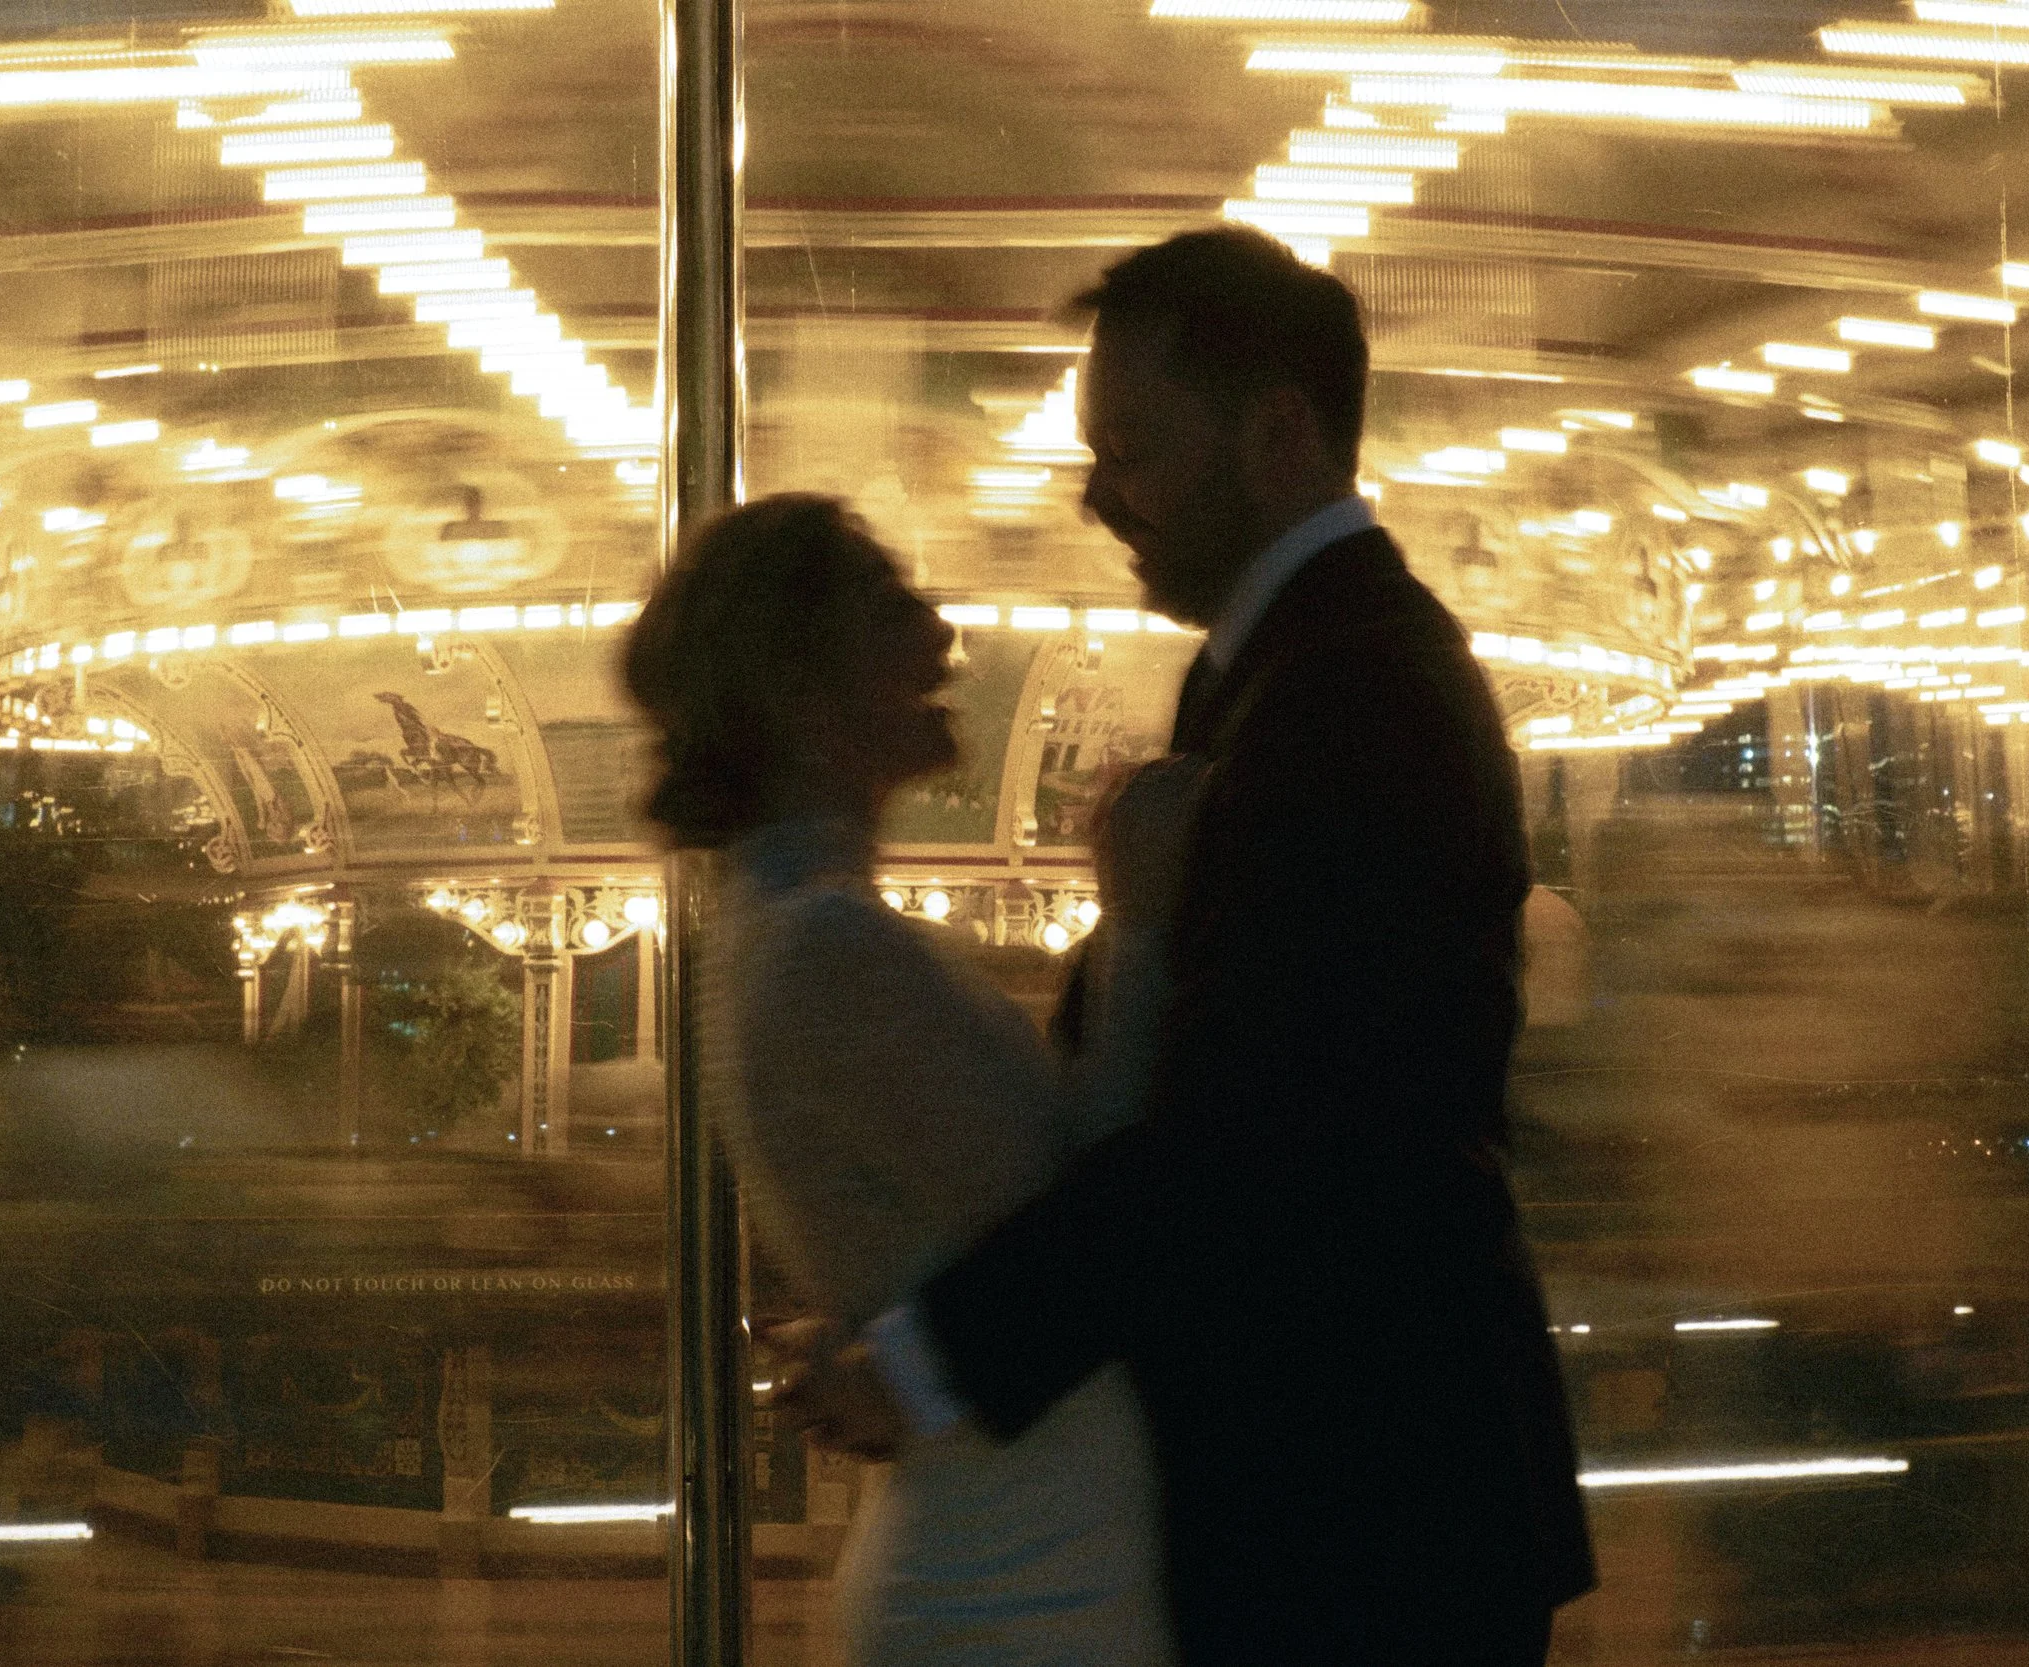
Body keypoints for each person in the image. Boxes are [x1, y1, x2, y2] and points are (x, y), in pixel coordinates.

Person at [802, 227, 1597, 1665]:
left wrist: (929, 1358)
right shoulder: (1298, 668)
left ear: (1280, 431)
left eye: (1136, 452)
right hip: (1365, 1482)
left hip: (1361, 1498)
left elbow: (1251, 1134)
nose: (1096, 495)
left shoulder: (1348, 693)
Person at [621, 494, 1174, 1667]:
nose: (940, 632)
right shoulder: (829, 947)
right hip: (1025, 1577)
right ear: (804, 693)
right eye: (889, 600)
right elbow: (1098, 1216)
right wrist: (1142, 916)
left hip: (1018, 1545)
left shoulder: (787, 931)